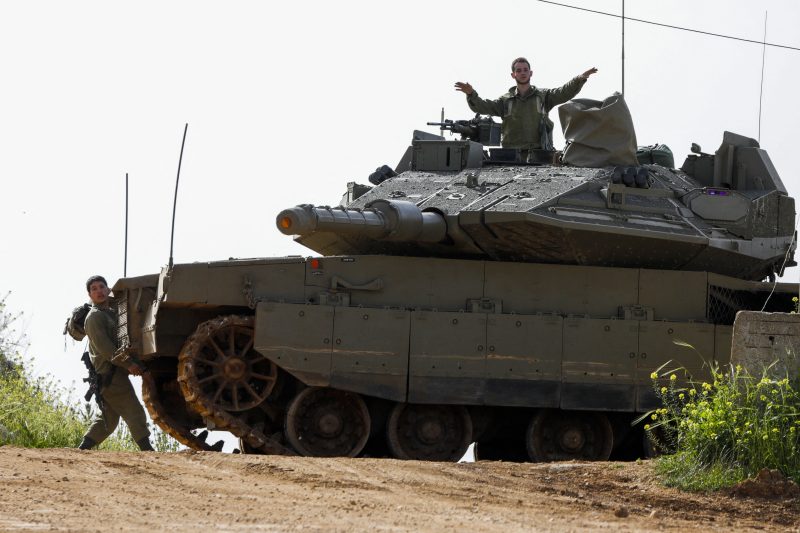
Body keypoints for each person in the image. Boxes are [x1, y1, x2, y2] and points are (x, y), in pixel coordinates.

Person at [455, 57, 597, 158]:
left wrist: (579, 79)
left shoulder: (543, 97)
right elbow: (482, 107)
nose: (522, 73)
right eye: (519, 70)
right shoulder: (505, 101)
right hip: (510, 155)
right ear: (513, 75)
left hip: (538, 154)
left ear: (531, 73)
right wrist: (471, 94)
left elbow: (564, 92)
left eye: (525, 70)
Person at [77, 275, 153, 451]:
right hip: (110, 374)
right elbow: (107, 349)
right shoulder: (94, 317)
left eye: (102, 287)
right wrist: (129, 364)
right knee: (133, 410)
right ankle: (147, 450)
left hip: (111, 373)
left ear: (108, 289)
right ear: (89, 294)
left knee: (108, 420)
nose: (99, 291)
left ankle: (82, 449)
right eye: (94, 289)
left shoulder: (110, 313)